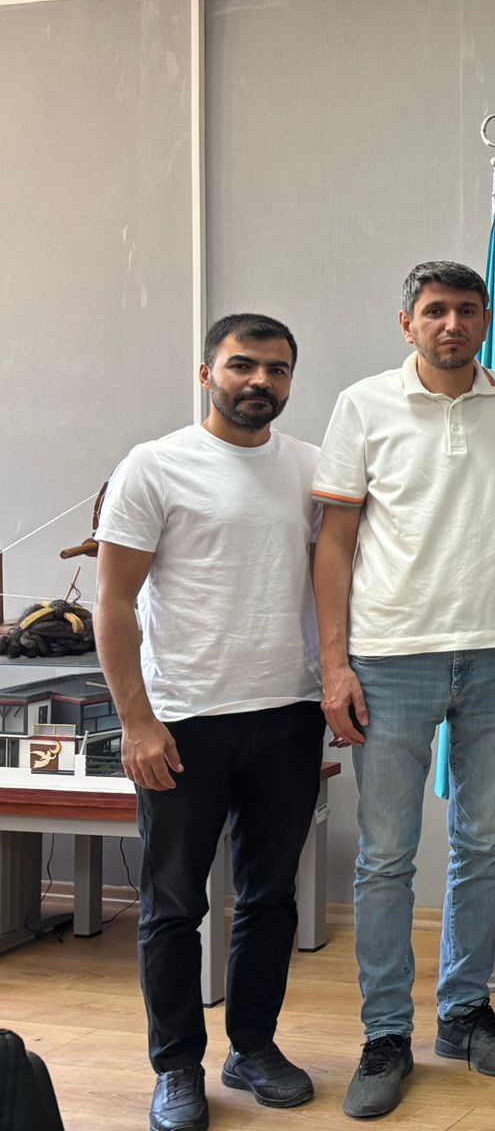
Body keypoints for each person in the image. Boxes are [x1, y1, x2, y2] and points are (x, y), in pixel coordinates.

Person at [311, 261, 495, 1120]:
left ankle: (464, 1013)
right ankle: (386, 1034)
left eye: (466, 310)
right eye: (434, 311)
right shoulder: (363, 406)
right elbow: (334, 542)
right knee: (386, 857)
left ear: (486, 320)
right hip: (390, 658)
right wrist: (335, 665)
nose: (452, 323)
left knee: (481, 843)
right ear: (407, 323)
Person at [96, 314, 326, 1131]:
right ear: (207, 373)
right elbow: (113, 603)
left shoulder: (311, 468)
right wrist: (136, 722)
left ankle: (253, 1047)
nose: (260, 380)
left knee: (270, 897)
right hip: (184, 722)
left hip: (288, 714)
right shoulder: (154, 466)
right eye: (242, 365)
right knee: (172, 906)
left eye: (277, 368)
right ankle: (176, 1069)